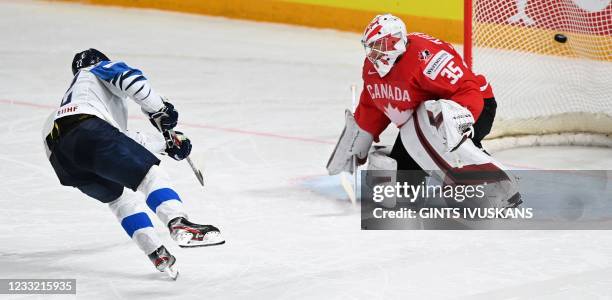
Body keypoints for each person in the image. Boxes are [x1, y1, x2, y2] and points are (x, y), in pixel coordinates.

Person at [42, 49, 224, 280]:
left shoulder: (78, 102)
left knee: (120, 200)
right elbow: (128, 77)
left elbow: (119, 142)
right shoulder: (94, 70)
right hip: (86, 132)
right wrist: (159, 108)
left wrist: (166, 142)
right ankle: (178, 222)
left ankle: (156, 253)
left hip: (61, 159)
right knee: (150, 175)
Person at [327, 14, 520, 209]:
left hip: (474, 106)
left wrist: (458, 123)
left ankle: (494, 184)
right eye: (371, 47)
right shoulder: (372, 68)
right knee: (403, 194)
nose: (373, 53)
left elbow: (467, 89)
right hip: (420, 124)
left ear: (396, 43)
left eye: (379, 46)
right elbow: (373, 103)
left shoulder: (428, 58)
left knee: (438, 123)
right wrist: (360, 138)